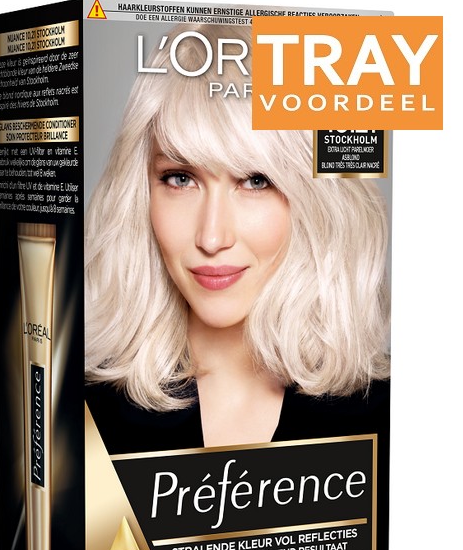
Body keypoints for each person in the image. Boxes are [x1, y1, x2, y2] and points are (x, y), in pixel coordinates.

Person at [84, 23, 390, 454]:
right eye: (180, 178)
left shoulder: (394, 419)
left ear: (317, 200)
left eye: (256, 181)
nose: (212, 237)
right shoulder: (78, 418)